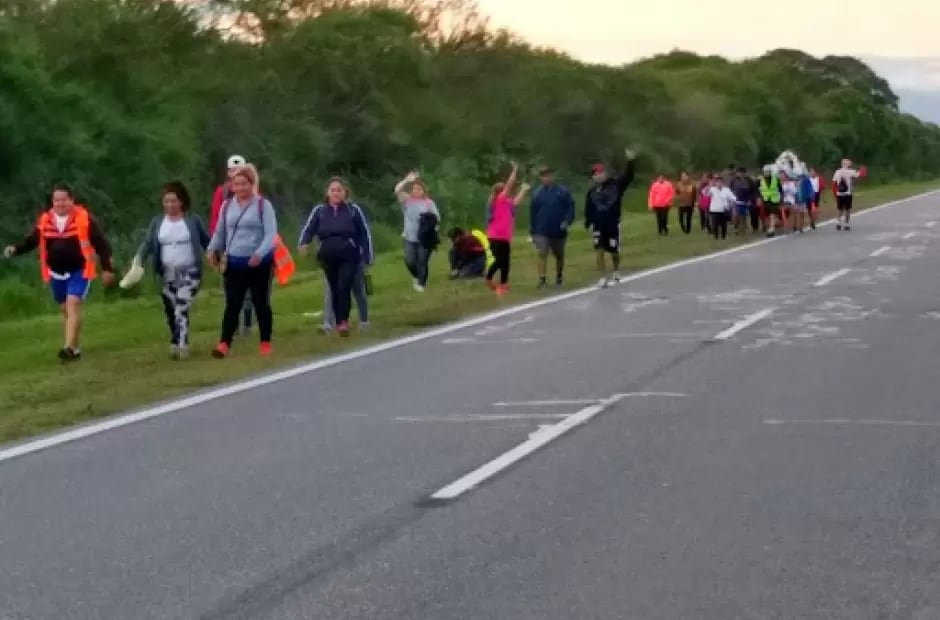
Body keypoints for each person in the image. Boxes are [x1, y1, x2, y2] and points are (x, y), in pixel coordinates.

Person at [3, 183, 115, 361]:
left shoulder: (84, 218)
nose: (60, 203)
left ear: (71, 200)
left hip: (80, 269)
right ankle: (75, 347)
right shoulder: (46, 220)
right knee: (65, 310)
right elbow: (32, 240)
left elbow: (102, 244)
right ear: (52, 202)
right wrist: (16, 249)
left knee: (73, 304)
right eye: (56, 200)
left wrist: (107, 269)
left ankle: (68, 348)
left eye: (64, 199)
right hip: (56, 272)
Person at [132, 182, 211, 359]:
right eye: (166, 201)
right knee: (171, 309)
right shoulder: (158, 222)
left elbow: (207, 242)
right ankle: (176, 338)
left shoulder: (192, 221)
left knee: (181, 307)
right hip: (166, 273)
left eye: (173, 201)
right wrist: (138, 260)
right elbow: (148, 244)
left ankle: (183, 345)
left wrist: (218, 255)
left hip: (190, 272)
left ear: (181, 202)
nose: (170, 205)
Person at [206, 164, 278, 357]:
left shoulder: (263, 205)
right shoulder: (227, 206)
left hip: (258, 264)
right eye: (236, 184)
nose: (240, 188)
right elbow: (220, 231)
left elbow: (271, 234)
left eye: (244, 184)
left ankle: (265, 341)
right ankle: (224, 343)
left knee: (260, 302)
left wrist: (260, 254)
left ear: (251, 184)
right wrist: (212, 249)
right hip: (234, 262)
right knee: (233, 304)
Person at [298, 177, 374, 337]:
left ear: (345, 192)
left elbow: (364, 233)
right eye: (333, 190)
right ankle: (333, 323)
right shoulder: (320, 211)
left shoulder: (353, 210)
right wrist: (304, 243)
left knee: (346, 286)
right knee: (333, 289)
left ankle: (346, 321)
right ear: (327, 192)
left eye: (339, 190)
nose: (336, 193)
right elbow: (310, 229)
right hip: (328, 255)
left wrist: (368, 256)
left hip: (349, 254)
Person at [209, 154, 254, 336]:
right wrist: (215, 246)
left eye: (239, 170)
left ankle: (248, 324)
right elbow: (215, 219)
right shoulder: (221, 192)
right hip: (228, 246)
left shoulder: (253, 192)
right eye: (232, 170)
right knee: (230, 286)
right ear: (228, 173)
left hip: (250, 245)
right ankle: (233, 323)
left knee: (250, 287)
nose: (235, 173)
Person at [585, 148, 637, 288]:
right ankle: (602, 277)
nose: (597, 175)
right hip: (598, 225)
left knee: (614, 251)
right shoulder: (591, 192)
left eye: (600, 173)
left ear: (605, 174)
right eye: (595, 174)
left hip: (613, 224)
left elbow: (628, 177)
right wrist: (588, 223)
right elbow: (588, 209)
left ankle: (616, 270)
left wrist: (630, 162)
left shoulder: (615, 185)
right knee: (599, 250)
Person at [485, 162, 530, 296]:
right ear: (499, 192)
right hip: (495, 236)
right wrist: (514, 172)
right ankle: (488, 277)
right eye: (504, 190)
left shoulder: (507, 203)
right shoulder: (498, 200)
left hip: (505, 237)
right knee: (499, 260)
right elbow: (509, 186)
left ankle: (504, 284)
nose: (507, 192)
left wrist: (523, 190)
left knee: (506, 262)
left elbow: (516, 202)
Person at [529, 166, 575, 288]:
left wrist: (567, 221)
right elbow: (533, 213)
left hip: (558, 229)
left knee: (559, 255)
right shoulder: (537, 193)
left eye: (548, 175)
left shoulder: (562, 191)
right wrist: (533, 231)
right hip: (542, 230)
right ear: (541, 178)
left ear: (552, 176)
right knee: (542, 253)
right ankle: (542, 279)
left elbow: (570, 207)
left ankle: (559, 277)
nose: (546, 178)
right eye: (543, 176)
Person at [394, 171, 439, 292]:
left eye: (419, 189)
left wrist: (432, 229)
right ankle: (417, 276)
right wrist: (407, 180)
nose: (416, 191)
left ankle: (421, 284)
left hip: (424, 238)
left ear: (423, 190)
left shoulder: (429, 203)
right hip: (409, 237)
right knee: (409, 261)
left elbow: (436, 219)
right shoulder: (407, 201)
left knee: (422, 261)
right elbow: (397, 190)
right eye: (414, 189)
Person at [833, 158, 867, 231]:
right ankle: (846, 224)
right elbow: (859, 175)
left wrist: (835, 193)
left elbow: (834, 182)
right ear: (847, 164)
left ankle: (838, 223)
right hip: (847, 193)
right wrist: (862, 170)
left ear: (842, 164)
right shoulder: (851, 171)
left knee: (840, 209)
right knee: (847, 210)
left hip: (839, 193)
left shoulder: (837, 171)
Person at [728, 167, 756, 235]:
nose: (741, 174)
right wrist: (731, 199)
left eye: (742, 173)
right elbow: (730, 190)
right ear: (737, 173)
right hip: (736, 201)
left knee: (745, 216)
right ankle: (736, 228)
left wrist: (750, 199)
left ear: (745, 173)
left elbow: (752, 191)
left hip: (746, 201)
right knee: (736, 215)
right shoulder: (733, 180)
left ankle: (744, 229)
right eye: (739, 173)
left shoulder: (749, 180)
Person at [758, 165, 783, 238]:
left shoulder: (776, 179)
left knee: (772, 214)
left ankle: (772, 229)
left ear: (770, 172)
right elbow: (757, 189)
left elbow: (780, 189)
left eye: (768, 171)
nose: (767, 173)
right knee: (767, 215)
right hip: (765, 199)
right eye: (765, 172)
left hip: (774, 199)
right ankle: (771, 227)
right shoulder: (760, 180)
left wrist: (781, 198)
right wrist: (758, 197)